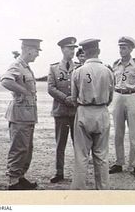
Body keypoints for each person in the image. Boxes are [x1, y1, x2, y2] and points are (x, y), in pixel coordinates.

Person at [70, 38, 114, 190]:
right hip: (101, 111)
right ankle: (103, 191)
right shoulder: (108, 71)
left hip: (84, 111)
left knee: (81, 155)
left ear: (84, 52)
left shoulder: (78, 71)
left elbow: (73, 97)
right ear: (98, 51)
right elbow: (110, 98)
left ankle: (78, 192)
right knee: (101, 155)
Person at [1, 38, 42, 190]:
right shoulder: (16, 65)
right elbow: (5, 81)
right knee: (18, 147)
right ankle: (13, 182)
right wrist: (23, 91)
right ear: (29, 49)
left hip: (27, 114)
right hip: (19, 115)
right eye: (37, 51)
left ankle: (20, 177)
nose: (37, 54)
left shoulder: (26, 67)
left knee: (26, 148)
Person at [109, 36, 135, 178]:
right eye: (120, 47)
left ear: (131, 49)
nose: (121, 50)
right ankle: (119, 162)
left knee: (134, 133)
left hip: (132, 96)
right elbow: (112, 82)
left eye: (124, 47)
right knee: (118, 132)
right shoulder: (115, 64)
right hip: (118, 96)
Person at [47, 37, 78, 183]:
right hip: (61, 111)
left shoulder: (79, 67)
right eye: (69, 48)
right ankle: (59, 172)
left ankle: (79, 172)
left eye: (74, 48)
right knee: (60, 144)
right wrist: (66, 98)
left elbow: (83, 86)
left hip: (76, 111)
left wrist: (75, 98)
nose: (72, 51)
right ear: (62, 49)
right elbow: (51, 88)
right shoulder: (54, 68)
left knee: (78, 144)